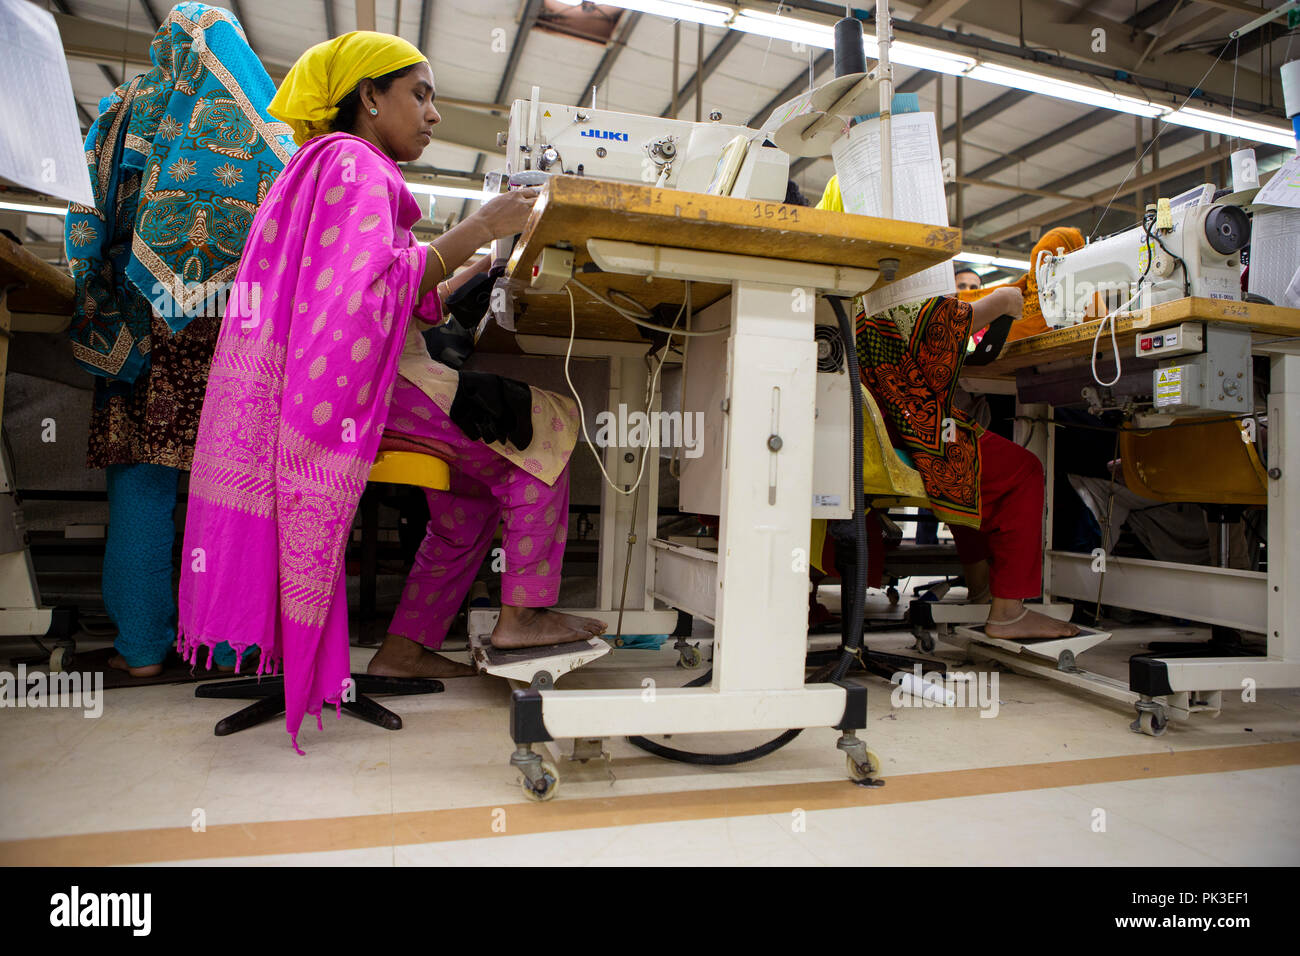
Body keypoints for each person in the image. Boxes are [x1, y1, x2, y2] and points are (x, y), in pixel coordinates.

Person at [177, 31, 605, 752]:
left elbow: (382, 289)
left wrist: (470, 267)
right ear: (369, 97)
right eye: (420, 93)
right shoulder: (355, 163)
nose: (434, 114)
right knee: (548, 428)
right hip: (347, 389)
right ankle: (525, 616)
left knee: (470, 494)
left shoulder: (318, 167)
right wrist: (483, 225)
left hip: (320, 386)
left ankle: (406, 645)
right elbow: (369, 295)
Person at [65, 3, 293, 677]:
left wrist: (94, 294)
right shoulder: (257, 125)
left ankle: (140, 649)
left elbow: (83, 219)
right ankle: (225, 648)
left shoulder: (119, 112)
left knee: (140, 485)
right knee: (226, 492)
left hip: (140, 323)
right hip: (228, 329)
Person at [815, 176, 1078, 640]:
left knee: (970, 453)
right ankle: (1009, 611)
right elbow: (931, 331)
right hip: (903, 442)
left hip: (852, 443)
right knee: (1019, 469)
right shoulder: (885, 284)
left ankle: (980, 591)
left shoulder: (836, 283)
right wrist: (998, 301)